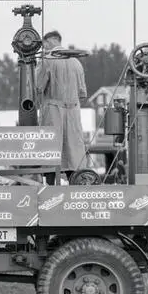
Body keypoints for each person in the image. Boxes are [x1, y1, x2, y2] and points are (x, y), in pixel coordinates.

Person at [35, 30, 88, 185]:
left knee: (50, 148)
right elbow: (82, 93)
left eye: (43, 44)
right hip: (73, 110)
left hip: (53, 109)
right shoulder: (76, 62)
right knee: (74, 150)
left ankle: (51, 188)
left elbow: (38, 86)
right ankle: (75, 185)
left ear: (48, 42)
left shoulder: (48, 60)